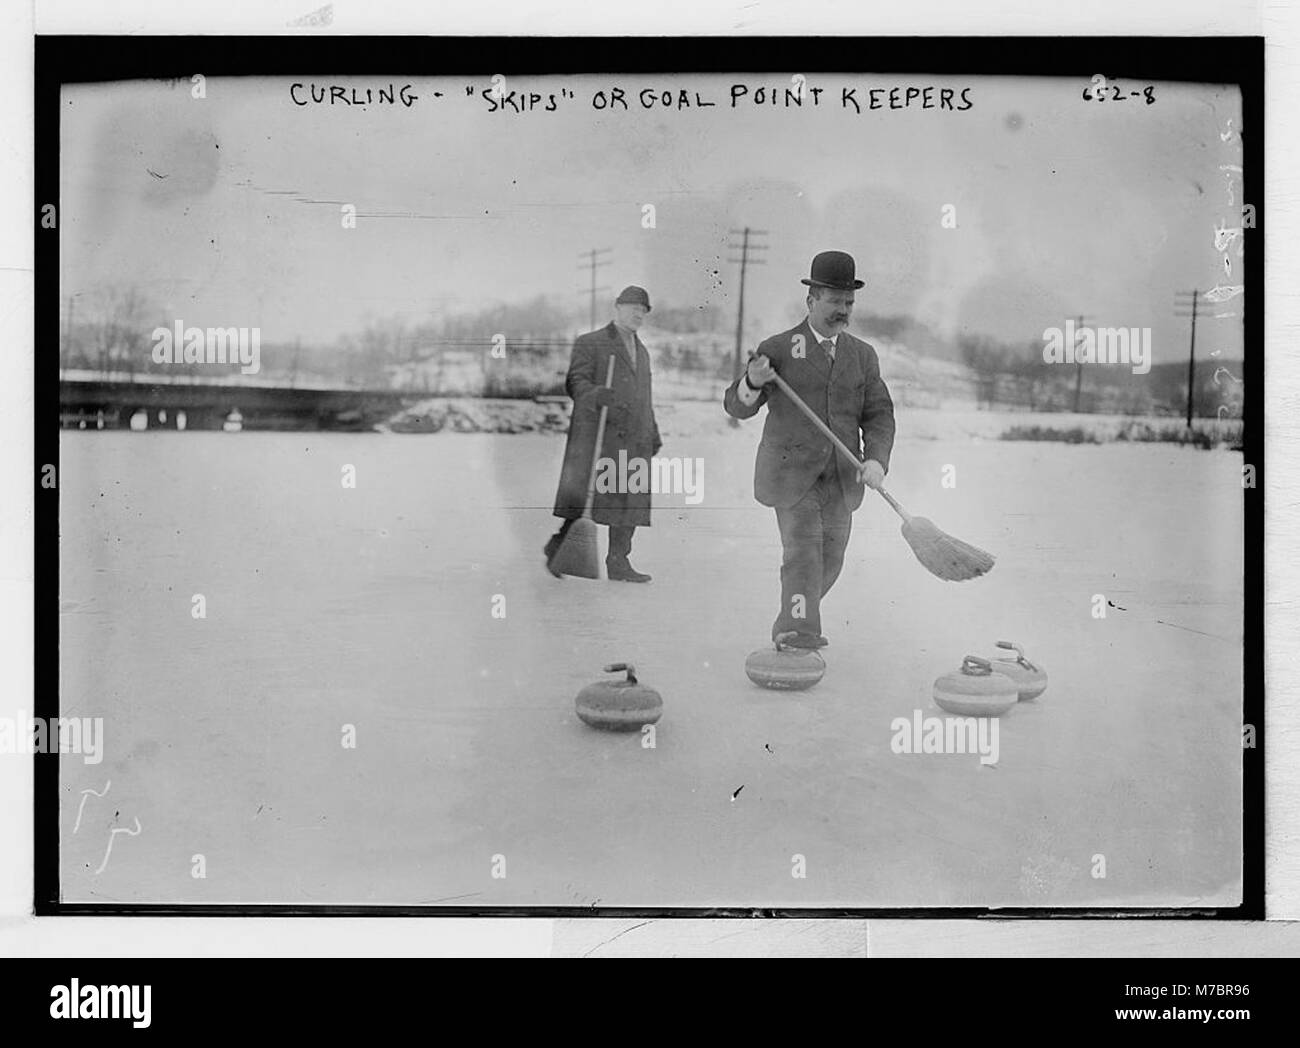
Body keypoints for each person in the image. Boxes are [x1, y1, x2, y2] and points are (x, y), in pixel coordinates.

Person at [723, 251, 896, 648]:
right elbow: (736, 406)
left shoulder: (862, 355)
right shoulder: (780, 348)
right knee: (803, 554)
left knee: (830, 560)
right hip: (791, 477)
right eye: (834, 301)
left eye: (849, 302)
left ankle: (794, 615)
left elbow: (879, 415)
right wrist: (752, 378)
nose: (843, 310)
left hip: (841, 477)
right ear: (812, 300)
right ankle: (798, 630)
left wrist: (875, 459)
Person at [546, 286, 662, 582]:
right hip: (600, 433)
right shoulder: (591, 342)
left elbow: (644, 397)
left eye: (643, 310)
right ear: (617, 308)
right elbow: (575, 381)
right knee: (589, 496)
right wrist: (596, 394)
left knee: (629, 500)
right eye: (633, 307)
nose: (638, 314)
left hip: (634, 436)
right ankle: (559, 547)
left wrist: (653, 431)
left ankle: (618, 561)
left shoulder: (643, 351)